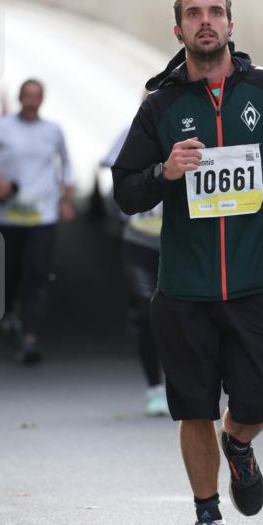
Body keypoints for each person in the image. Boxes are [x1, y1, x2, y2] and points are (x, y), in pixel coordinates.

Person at [113, 0, 263, 525]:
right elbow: (124, 192)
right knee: (193, 407)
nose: (205, 22)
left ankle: (238, 444)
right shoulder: (160, 106)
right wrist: (163, 172)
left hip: (252, 281)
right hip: (183, 286)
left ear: (231, 24)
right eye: (193, 14)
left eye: (215, 12)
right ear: (178, 29)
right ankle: (207, 518)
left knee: (257, 398)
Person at [0, 79, 75, 364]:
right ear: (19, 98)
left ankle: (30, 336)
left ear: (42, 100)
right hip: (7, 214)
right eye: (27, 96)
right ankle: (8, 310)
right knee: (9, 272)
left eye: (36, 97)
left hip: (42, 216)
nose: (31, 102)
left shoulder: (53, 131)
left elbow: (66, 166)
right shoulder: (2, 128)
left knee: (37, 274)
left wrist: (66, 199)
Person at [102, 124, 168, 416]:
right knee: (146, 312)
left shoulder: (192, 125)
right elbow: (109, 163)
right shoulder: (134, 132)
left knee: (181, 317)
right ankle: (155, 388)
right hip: (139, 241)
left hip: (179, 244)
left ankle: (182, 383)